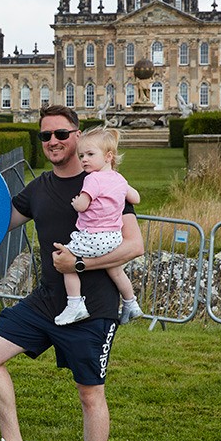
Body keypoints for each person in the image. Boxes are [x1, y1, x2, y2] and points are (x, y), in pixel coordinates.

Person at [0, 105, 143, 441]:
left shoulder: (104, 180)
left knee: (89, 394)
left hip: (92, 307)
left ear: (78, 136)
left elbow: (135, 245)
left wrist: (79, 264)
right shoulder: (40, 187)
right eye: (45, 136)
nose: (53, 142)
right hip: (46, 300)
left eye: (62, 135)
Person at [55, 126, 143, 326]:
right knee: (116, 271)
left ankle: (75, 304)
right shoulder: (119, 179)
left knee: (66, 262)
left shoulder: (92, 179)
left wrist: (76, 202)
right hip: (113, 239)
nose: (84, 159)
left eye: (90, 154)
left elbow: (82, 205)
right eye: (82, 155)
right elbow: (135, 198)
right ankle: (131, 303)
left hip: (92, 237)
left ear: (108, 156)